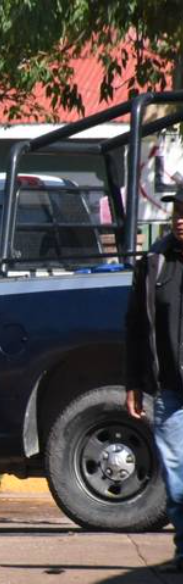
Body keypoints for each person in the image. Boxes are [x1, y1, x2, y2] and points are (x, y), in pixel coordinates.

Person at [127, 188, 183, 572]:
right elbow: (134, 326)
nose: (181, 218)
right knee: (178, 480)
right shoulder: (155, 263)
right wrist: (134, 382)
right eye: (178, 210)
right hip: (172, 392)